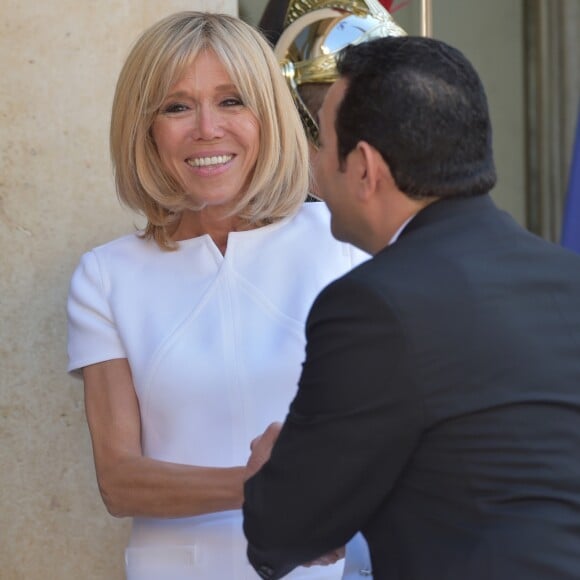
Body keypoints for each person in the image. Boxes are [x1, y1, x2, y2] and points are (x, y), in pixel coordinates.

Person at [243, 36, 580, 580]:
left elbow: (284, 529)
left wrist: (273, 472)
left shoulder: (370, 305)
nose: (315, 167)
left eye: (323, 144)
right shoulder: (570, 279)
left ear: (365, 168)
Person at [66, 11, 370, 580]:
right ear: (145, 128)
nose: (207, 128)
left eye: (232, 101)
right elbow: (120, 480)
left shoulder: (342, 245)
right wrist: (266, 490)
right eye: (177, 106)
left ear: (268, 115)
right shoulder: (105, 278)